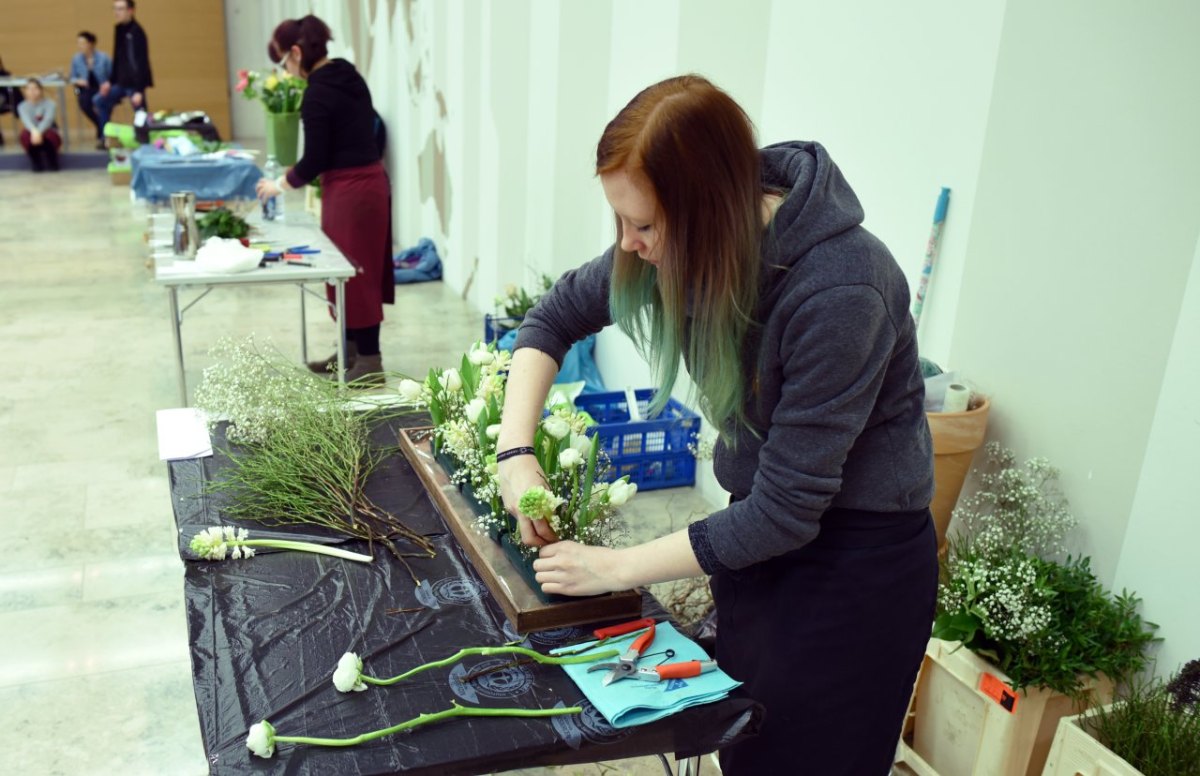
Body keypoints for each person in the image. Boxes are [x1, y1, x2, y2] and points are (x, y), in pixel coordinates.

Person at [496, 75, 937, 775]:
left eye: (644, 226)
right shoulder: (677, 246)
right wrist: (515, 453)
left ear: (710, 211)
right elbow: (551, 319)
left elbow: (786, 512)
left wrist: (615, 568)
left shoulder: (844, 289)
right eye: (620, 222)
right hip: (760, 541)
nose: (629, 245)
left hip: (855, 571)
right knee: (746, 746)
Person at [255, 15, 393, 386]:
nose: (286, 70)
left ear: (297, 53)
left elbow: (315, 159)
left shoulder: (316, 92)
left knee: (354, 276)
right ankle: (348, 352)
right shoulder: (347, 73)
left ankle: (370, 361)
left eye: (284, 61)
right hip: (369, 185)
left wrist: (278, 185)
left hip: (351, 193)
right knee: (347, 274)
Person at [94, 0, 152, 133]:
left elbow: (142, 63)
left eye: (120, 9)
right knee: (99, 100)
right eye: (115, 9)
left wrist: (139, 90)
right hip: (120, 83)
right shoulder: (119, 29)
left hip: (135, 84)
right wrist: (110, 81)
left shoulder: (137, 32)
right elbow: (117, 59)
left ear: (130, 11)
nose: (116, 12)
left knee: (140, 114)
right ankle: (107, 137)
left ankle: (144, 139)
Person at [69, 31, 113, 149]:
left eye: (82, 43)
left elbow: (112, 76)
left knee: (102, 103)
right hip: (83, 89)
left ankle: (103, 136)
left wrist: (107, 85)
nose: (80, 46)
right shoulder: (76, 59)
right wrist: (79, 81)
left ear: (91, 43)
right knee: (83, 101)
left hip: (102, 89)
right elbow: (71, 77)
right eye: (78, 43)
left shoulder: (104, 57)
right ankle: (101, 126)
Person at [17, 79, 62, 172]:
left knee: (50, 135)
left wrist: (38, 132)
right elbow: (26, 121)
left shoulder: (50, 104)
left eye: (35, 88)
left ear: (41, 90)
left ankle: (53, 162)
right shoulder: (21, 106)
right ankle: (36, 162)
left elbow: (48, 120)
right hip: (32, 133)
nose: (32, 91)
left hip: (47, 131)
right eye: (29, 89)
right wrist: (34, 131)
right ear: (25, 91)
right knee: (25, 136)